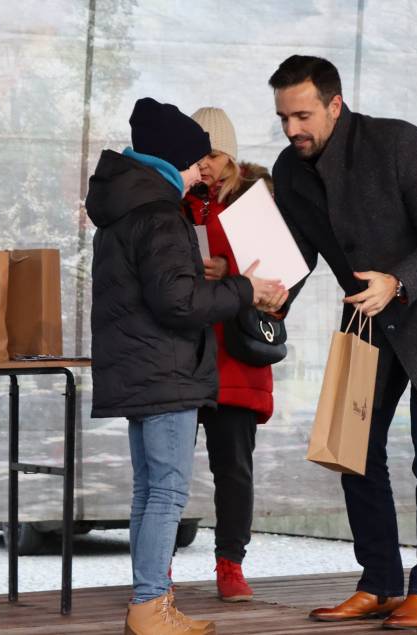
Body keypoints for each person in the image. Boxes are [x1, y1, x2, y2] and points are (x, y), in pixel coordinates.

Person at [268, 55, 417, 629]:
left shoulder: (399, 143)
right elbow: (297, 254)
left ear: (334, 105)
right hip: (367, 323)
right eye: (283, 118)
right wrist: (269, 293)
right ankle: (380, 584)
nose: (292, 129)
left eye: (302, 116)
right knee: (354, 452)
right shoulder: (289, 170)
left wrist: (397, 281)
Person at [86, 97, 284, 635]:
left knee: (150, 489)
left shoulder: (123, 208)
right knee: (168, 490)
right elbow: (179, 302)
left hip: (142, 368)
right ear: (173, 159)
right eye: (195, 162)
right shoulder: (159, 214)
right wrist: (244, 288)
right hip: (167, 369)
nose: (200, 173)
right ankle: (152, 604)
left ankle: (151, 601)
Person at [182, 106, 284, 602]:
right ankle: (158, 567)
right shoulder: (176, 201)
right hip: (183, 355)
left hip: (237, 356)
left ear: (231, 155)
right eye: (196, 155)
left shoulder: (253, 201)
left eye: (214, 154)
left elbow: (279, 287)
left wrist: (230, 273)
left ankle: (230, 565)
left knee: (234, 469)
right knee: (167, 469)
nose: (204, 164)